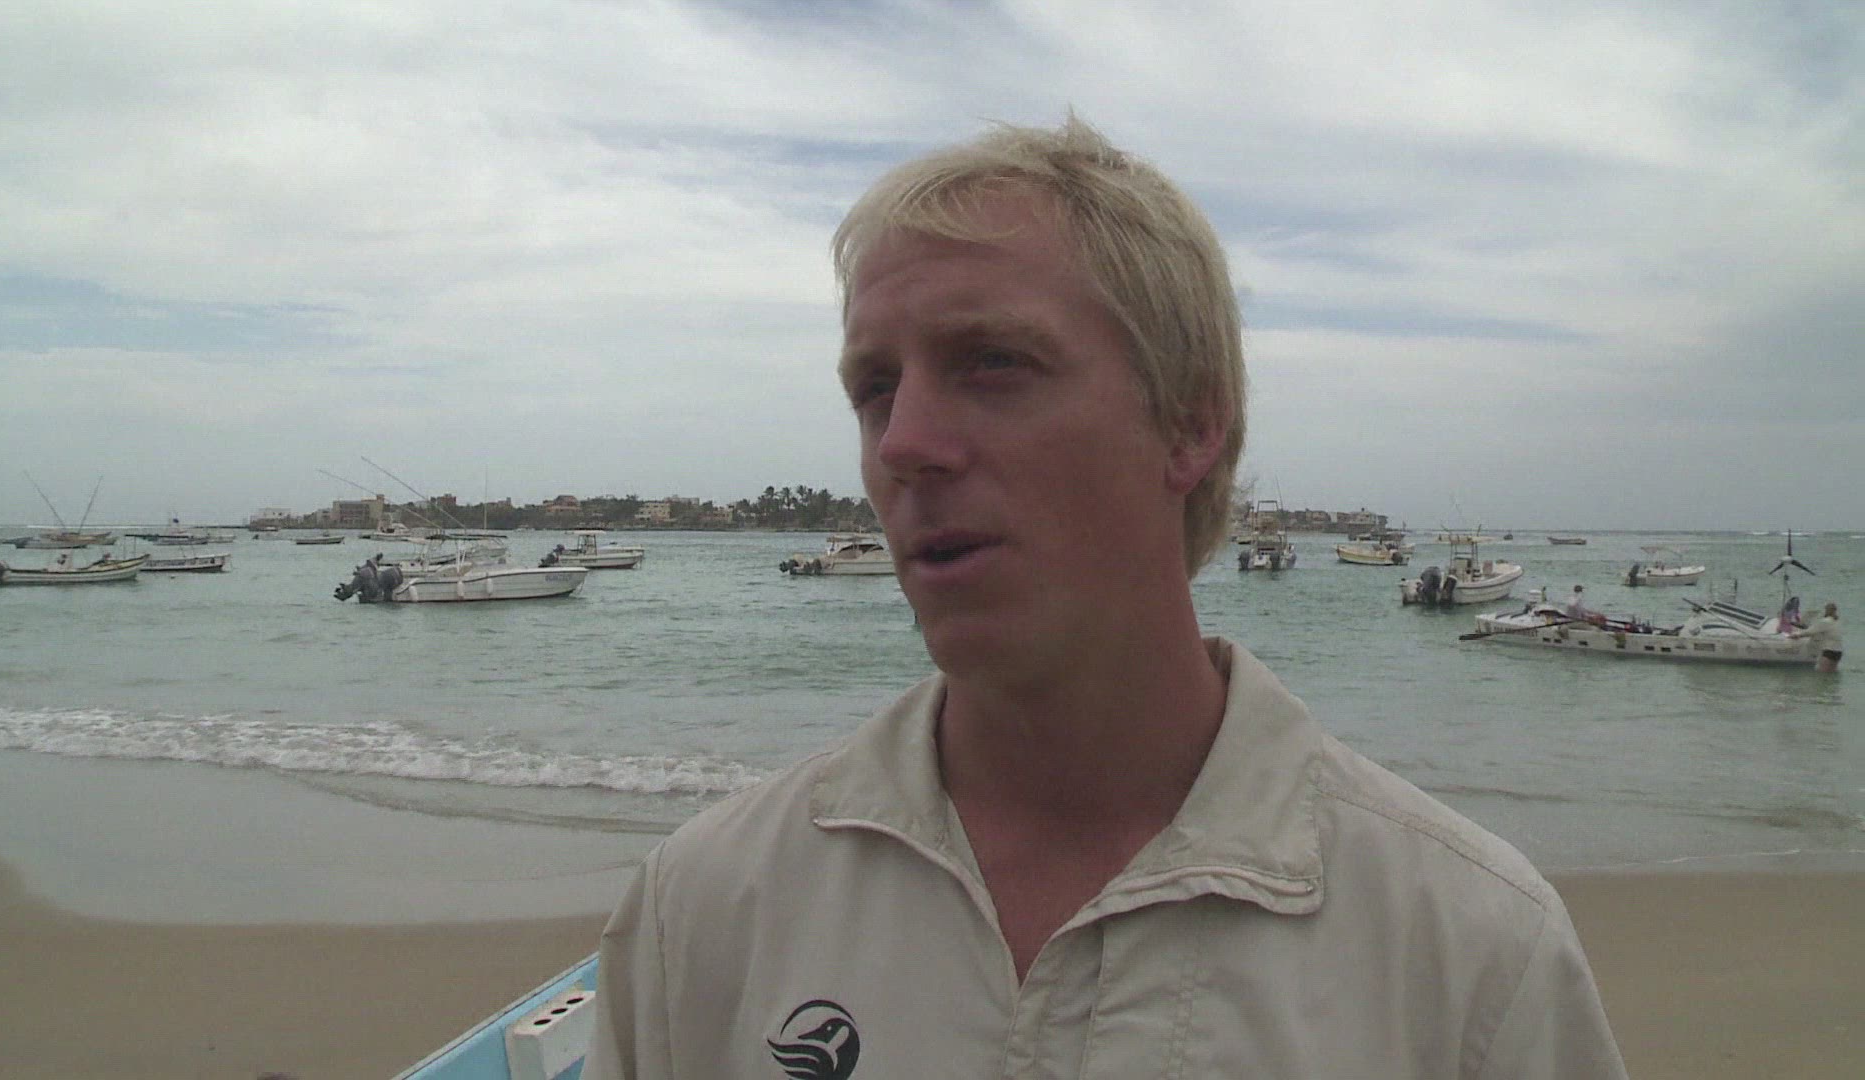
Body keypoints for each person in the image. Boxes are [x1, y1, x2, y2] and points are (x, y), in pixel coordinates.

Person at [587, 117, 1625, 1078]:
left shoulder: (1468, 957)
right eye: (875, 390)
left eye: (993, 362)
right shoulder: (706, 913)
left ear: (1189, 424)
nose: (903, 443)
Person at [1792, 602, 1843, 673]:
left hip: (1829, 651)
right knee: (1831, 674)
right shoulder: (1837, 622)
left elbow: (1810, 631)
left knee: (1822, 674)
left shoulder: (1825, 621)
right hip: (1838, 652)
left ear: (1826, 610)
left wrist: (1796, 635)